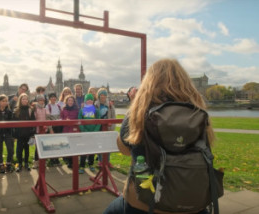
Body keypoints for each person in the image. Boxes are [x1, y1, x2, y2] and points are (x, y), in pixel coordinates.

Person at [103, 59, 215, 214]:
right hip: (193, 203)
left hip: (144, 203)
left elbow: (124, 149)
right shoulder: (198, 113)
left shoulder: (139, 112)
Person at [12, 93, 36, 172]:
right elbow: (14, 123)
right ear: (20, 100)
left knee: (26, 148)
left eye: (26, 99)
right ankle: (19, 163)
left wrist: (32, 133)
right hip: (19, 133)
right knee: (19, 149)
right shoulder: (16, 110)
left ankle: (26, 163)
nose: (25, 100)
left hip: (27, 133)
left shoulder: (30, 110)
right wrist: (14, 134)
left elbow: (33, 121)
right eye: (23, 99)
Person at [78, 93, 101, 174]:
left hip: (93, 134)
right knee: (83, 150)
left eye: (91, 100)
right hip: (84, 134)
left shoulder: (96, 111)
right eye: (88, 100)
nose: (89, 101)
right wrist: (84, 130)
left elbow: (99, 122)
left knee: (92, 149)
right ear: (85, 101)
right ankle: (82, 165)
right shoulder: (82, 110)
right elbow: (80, 121)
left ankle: (91, 164)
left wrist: (95, 131)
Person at [95, 88, 116, 167]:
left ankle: (107, 161)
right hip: (99, 128)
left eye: (104, 95)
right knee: (100, 145)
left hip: (108, 128)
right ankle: (100, 161)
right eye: (101, 95)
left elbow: (113, 116)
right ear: (99, 96)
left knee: (108, 145)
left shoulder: (110, 105)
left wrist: (112, 126)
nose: (102, 96)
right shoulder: (96, 104)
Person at [32, 94, 53, 169]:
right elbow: (33, 119)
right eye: (40, 100)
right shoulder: (34, 109)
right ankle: (36, 162)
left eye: (43, 100)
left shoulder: (45, 109)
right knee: (37, 147)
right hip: (37, 130)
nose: (41, 102)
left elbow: (48, 119)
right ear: (37, 101)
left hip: (45, 129)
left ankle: (44, 161)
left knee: (44, 146)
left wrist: (50, 129)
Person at [60, 95, 80, 168]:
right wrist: (65, 121)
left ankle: (75, 161)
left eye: (72, 101)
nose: (70, 102)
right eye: (69, 100)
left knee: (74, 146)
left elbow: (78, 119)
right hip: (66, 130)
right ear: (66, 101)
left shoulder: (77, 110)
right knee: (67, 146)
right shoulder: (63, 110)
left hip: (74, 130)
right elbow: (61, 118)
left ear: (74, 102)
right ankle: (69, 161)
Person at [46, 92, 62, 166]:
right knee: (52, 143)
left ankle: (57, 159)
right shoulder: (47, 106)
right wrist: (50, 129)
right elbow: (47, 119)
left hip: (58, 126)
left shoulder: (58, 106)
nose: (53, 98)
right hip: (52, 127)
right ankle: (52, 159)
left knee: (58, 143)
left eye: (54, 97)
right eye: (52, 97)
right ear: (49, 99)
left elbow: (60, 116)